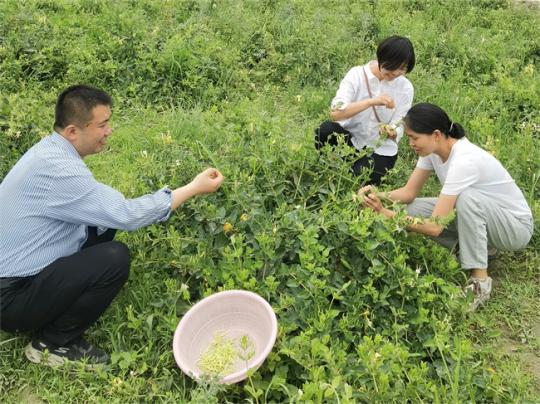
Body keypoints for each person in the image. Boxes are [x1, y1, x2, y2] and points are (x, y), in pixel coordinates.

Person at [0, 85, 224, 366]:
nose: (109, 131)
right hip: (10, 298)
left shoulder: (49, 151)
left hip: (17, 270)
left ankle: (53, 310)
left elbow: (109, 211)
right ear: (72, 131)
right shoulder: (61, 171)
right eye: (102, 125)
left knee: (102, 225)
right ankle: (53, 343)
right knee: (114, 257)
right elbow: (127, 215)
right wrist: (192, 188)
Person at [357, 103, 533, 310]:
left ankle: (480, 282)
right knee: (409, 209)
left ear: (436, 135)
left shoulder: (464, 159)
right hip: (490, 218)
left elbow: (435, 227)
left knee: (466, 197)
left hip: (515, 228)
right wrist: (376, 195)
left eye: (414, 138)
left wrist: (383, 212)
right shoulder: (432, 152)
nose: (411, 144)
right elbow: (408, 193)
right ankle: (481, 248)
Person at [315, 35, 415, 185]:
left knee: (355, 180)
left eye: (402, 68)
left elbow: (399, 123)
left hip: (380, 149)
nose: (395, 73)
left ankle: (344, 170)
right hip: (349, 140)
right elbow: (336, 113)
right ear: (381, 58)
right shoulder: (357, 75)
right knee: (325, 130)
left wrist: (392, 131)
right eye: (392, 66)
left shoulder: (405, 88)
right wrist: (371, 102)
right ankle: (334, 167)